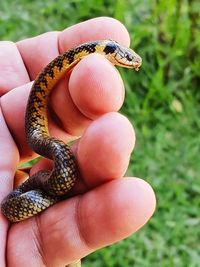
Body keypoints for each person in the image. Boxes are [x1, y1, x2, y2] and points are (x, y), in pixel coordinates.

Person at [0, 17, 156, 266]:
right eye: (126, 57)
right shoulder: (78, 54)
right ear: (107, 50)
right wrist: (51, 193)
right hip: (39, 172)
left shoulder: (85, 55)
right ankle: (43, 190)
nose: (131, 61)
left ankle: (43, 188)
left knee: (49, 169)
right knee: (48, 161)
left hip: (41, 181)